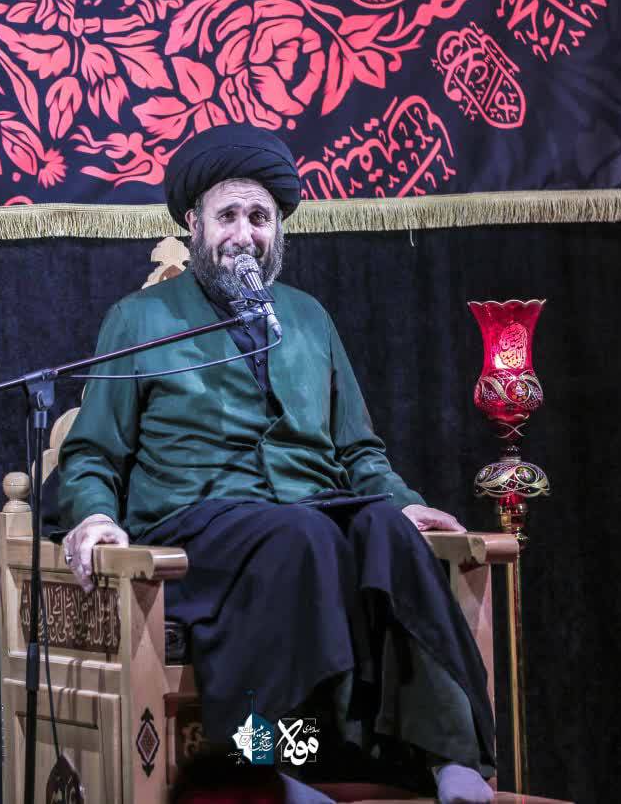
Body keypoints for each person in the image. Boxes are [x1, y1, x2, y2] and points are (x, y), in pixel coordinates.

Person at [55, 124, 496, 804]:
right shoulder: (141, 319)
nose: (245, 234)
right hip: (193, 528)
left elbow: (358, 451)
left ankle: (446, 756)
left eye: (260, 218)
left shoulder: (308, 318)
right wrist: (93, 517)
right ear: (195, 225)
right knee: (303, 538)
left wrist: (403, 500)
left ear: (278, 231)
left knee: (383, 529)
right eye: (228, 215)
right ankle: (268, 764)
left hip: (304, 514)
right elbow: (92, 451)